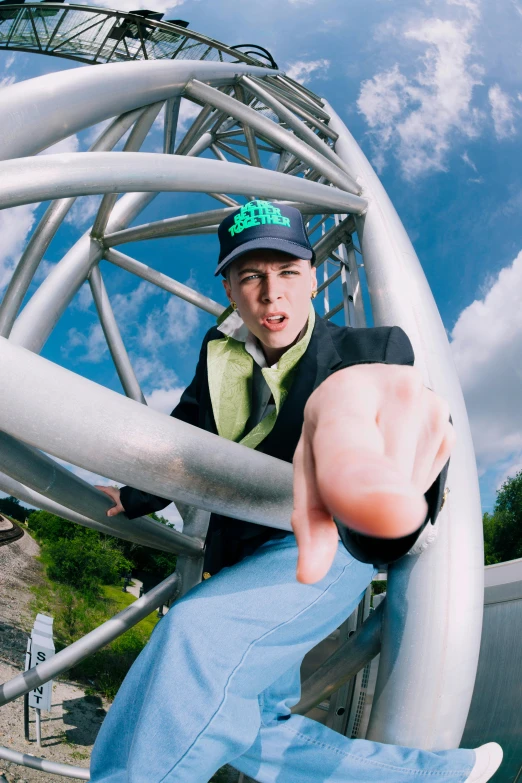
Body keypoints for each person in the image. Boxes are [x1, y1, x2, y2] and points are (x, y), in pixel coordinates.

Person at [92, 201, 502, 783]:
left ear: (312, 275)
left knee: (194, 639)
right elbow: (183, 443)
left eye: (286, 272)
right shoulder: (218, 360)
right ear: (231, 289)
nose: (271, 295)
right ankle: (436, 777)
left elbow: (392, 409)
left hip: (324, 545)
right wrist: (132, 498)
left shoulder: (373, 351)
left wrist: (374, 443)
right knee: (255, 723)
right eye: (251, 276)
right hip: (242, 557)